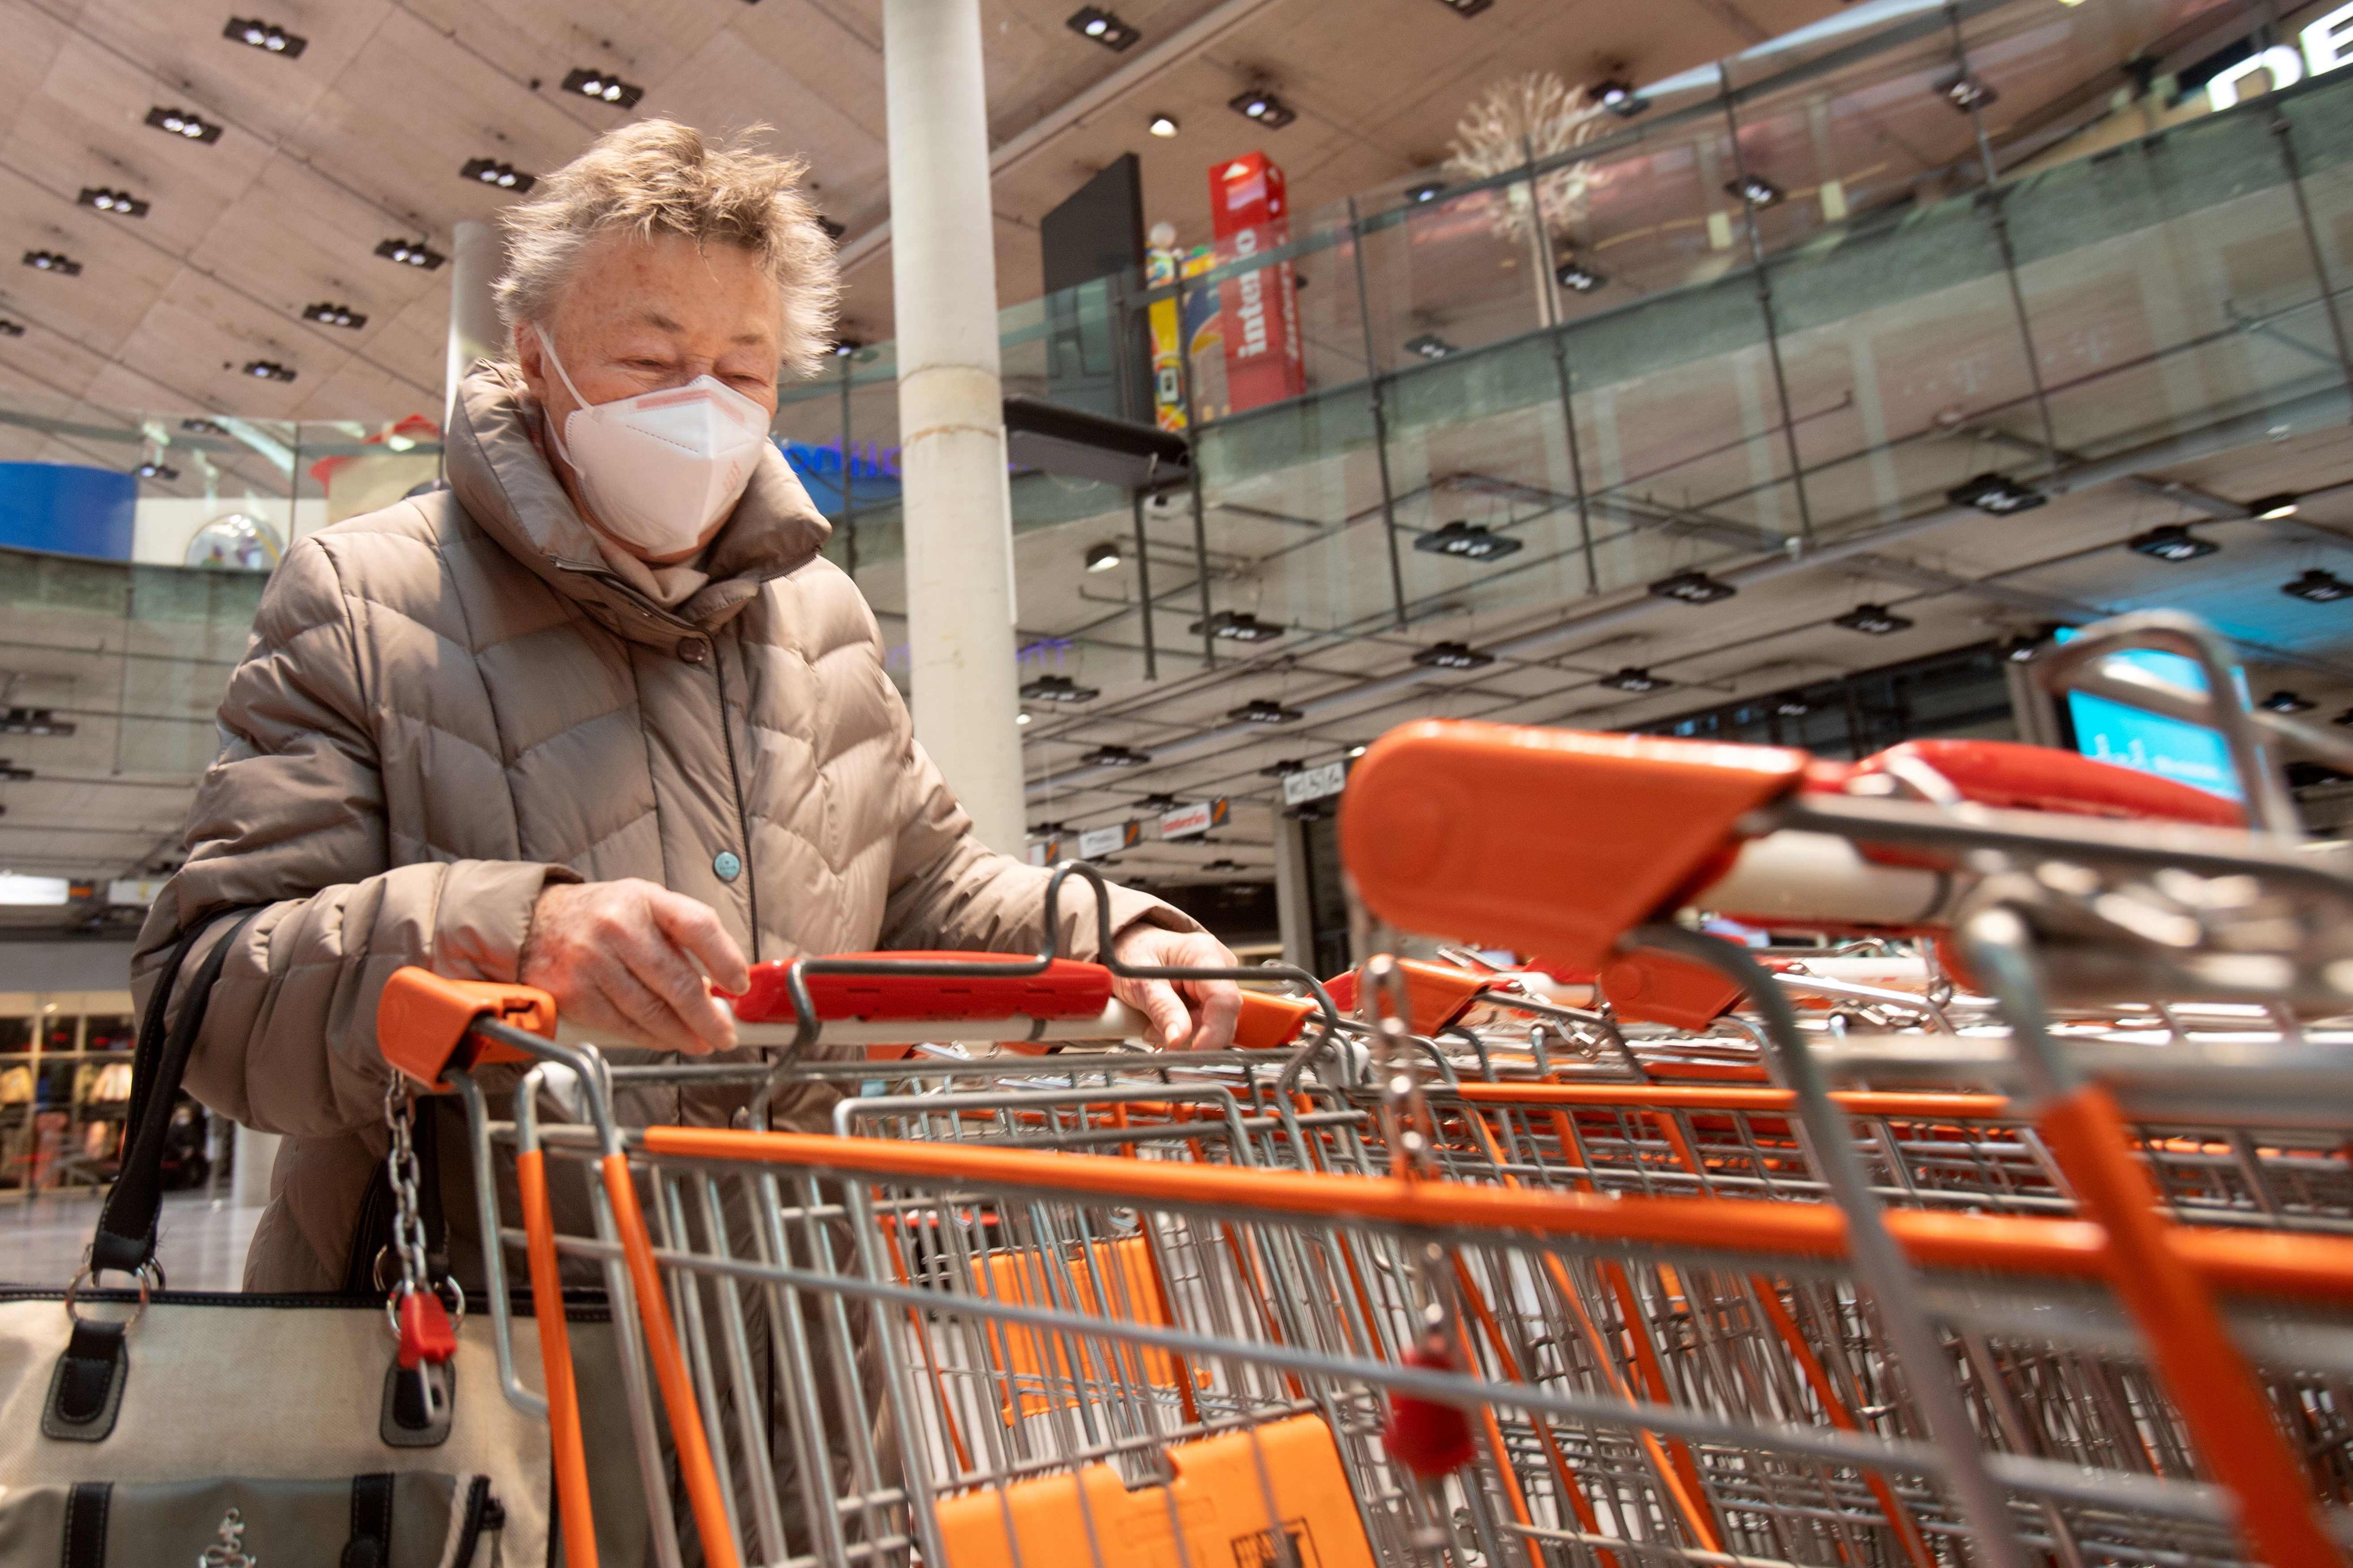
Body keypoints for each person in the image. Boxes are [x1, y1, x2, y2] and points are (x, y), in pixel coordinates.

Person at [130, 119, 1241, 1294]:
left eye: (742, 370)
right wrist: (516, 932)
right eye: (650, 365)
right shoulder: (364, 599)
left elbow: (931, 888)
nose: (699, 407)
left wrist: (1108, 928)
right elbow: (207, 997)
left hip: (800, 1362)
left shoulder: (822, 620)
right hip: (473, 1354)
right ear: (532, 355)